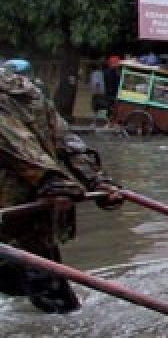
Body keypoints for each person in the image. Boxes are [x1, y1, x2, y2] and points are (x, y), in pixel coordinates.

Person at [0, 60, 123, 313]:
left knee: (45, 286)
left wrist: (90, 180)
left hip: (17, 207)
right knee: (34, 276)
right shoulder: (28, 91)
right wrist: (95, 179)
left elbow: (25, 145)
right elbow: (65, 140)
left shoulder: (26, 95)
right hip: (32, 205)